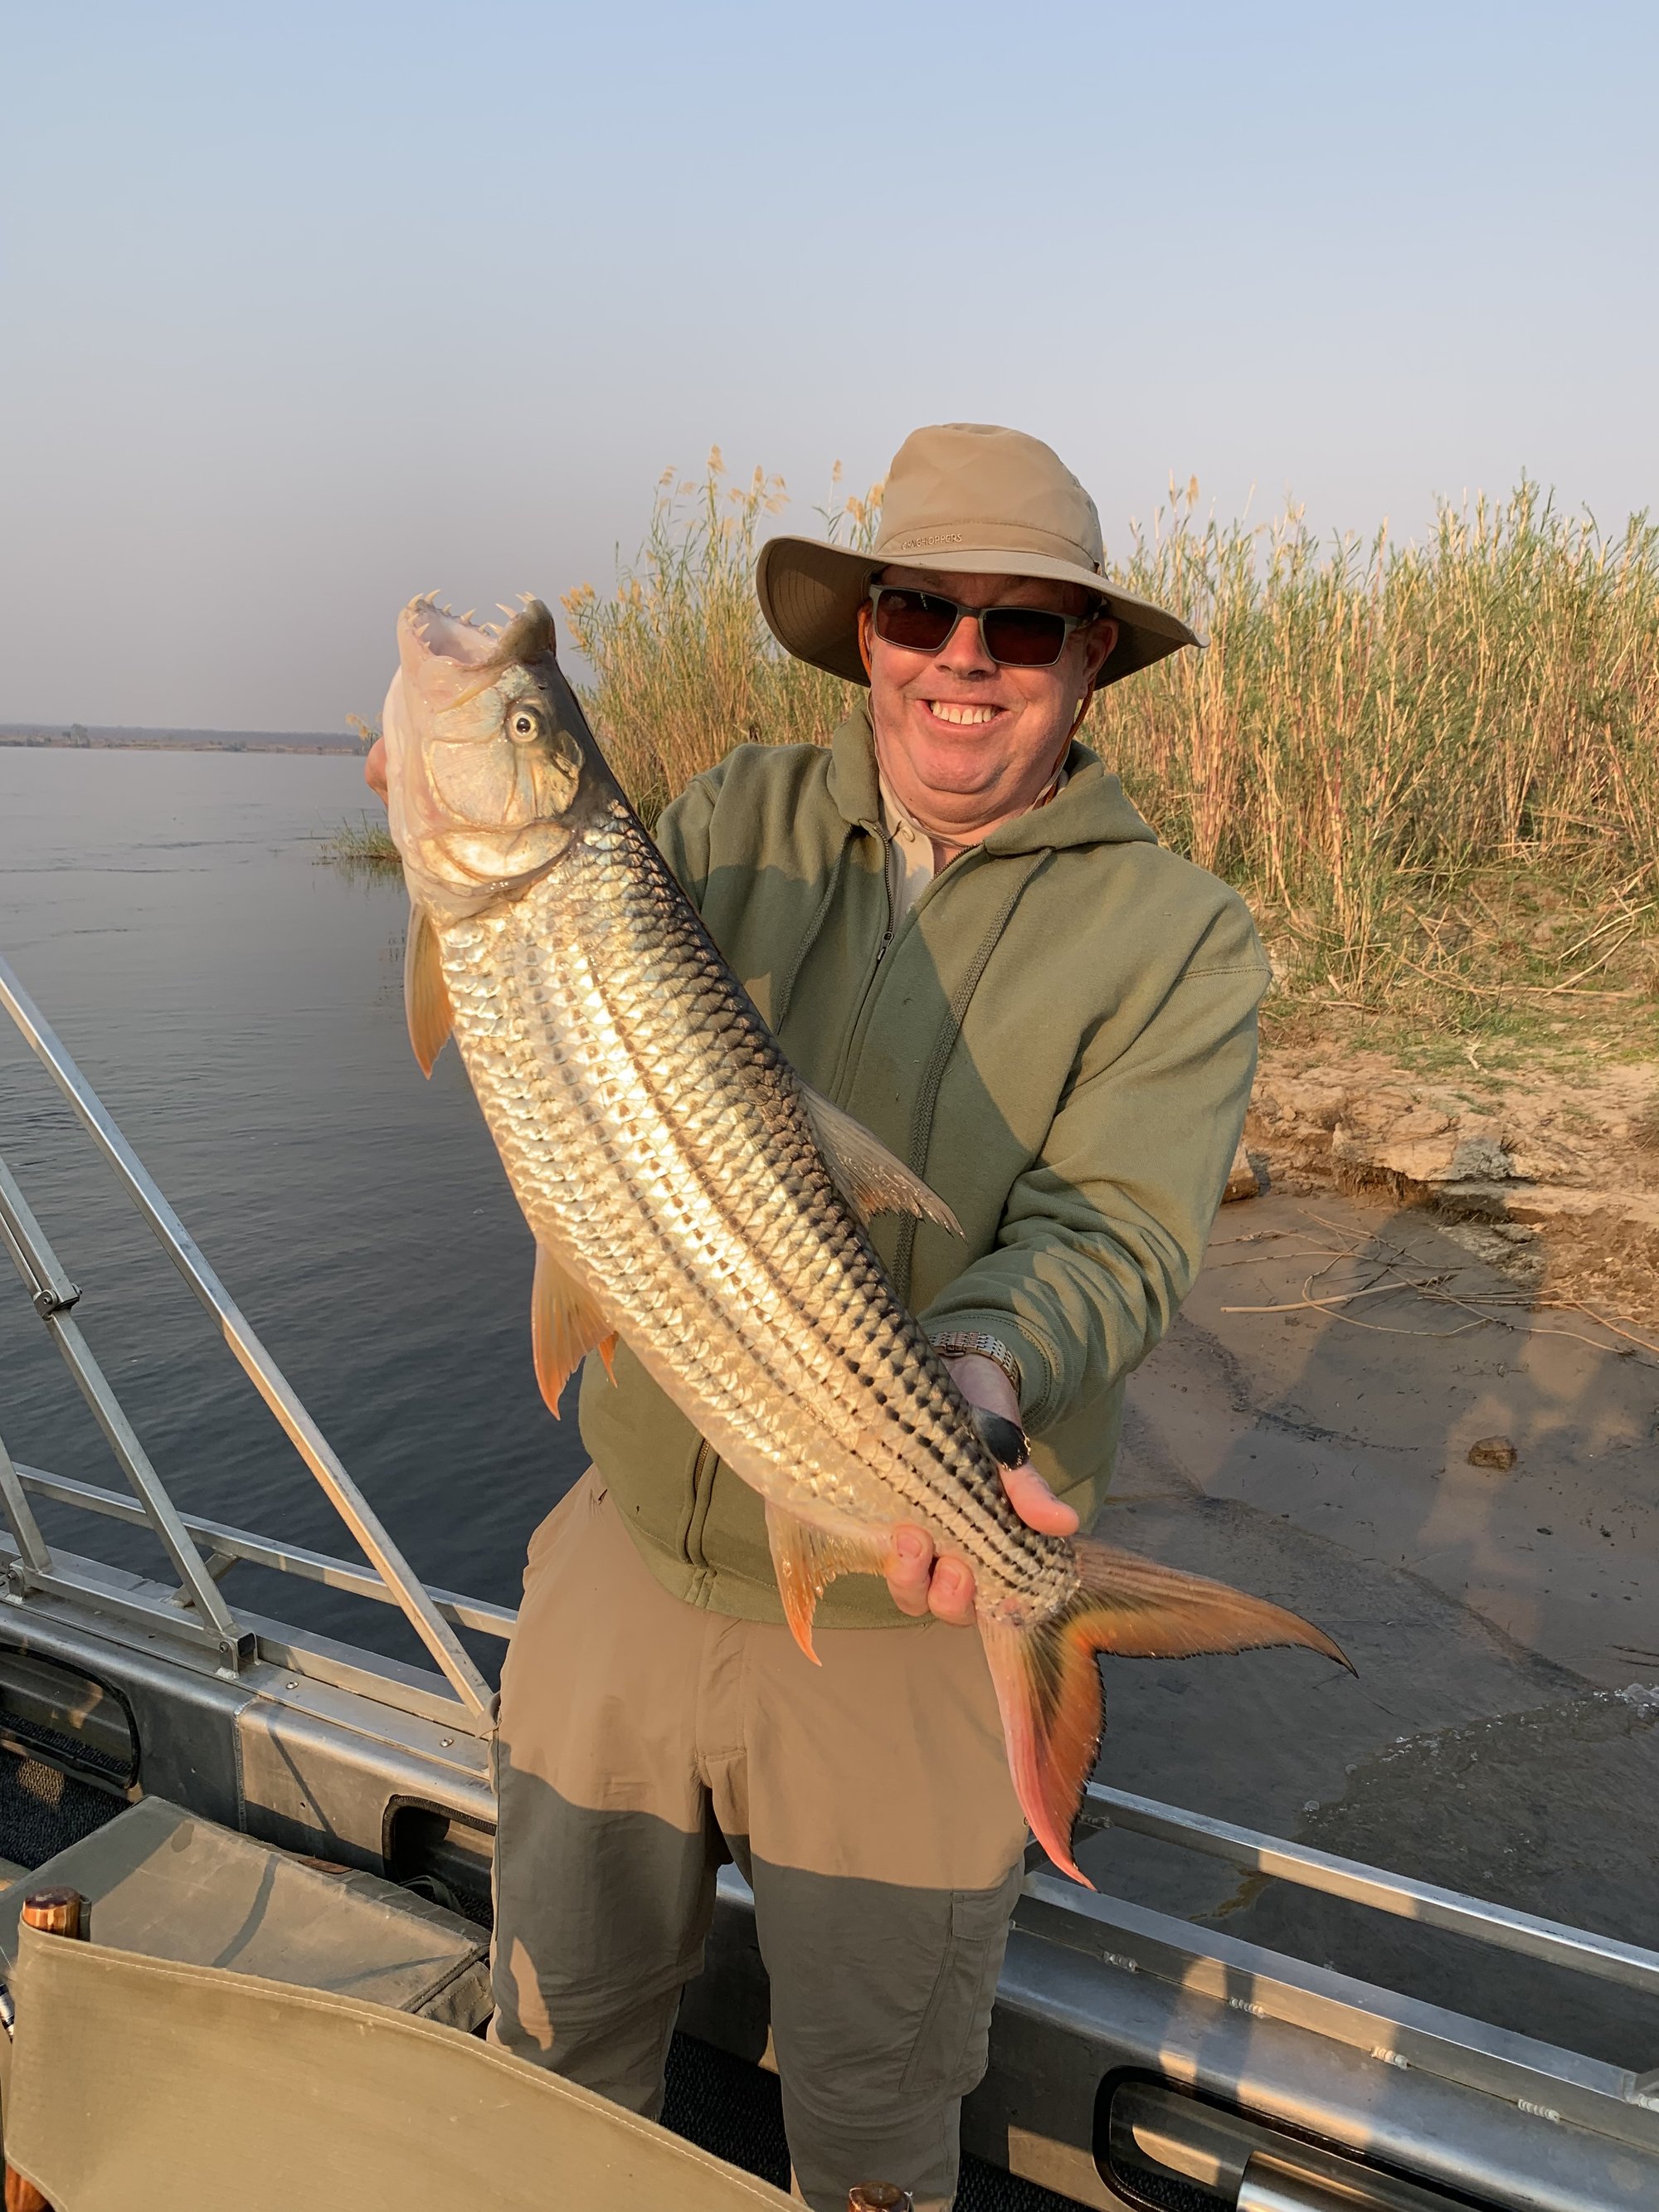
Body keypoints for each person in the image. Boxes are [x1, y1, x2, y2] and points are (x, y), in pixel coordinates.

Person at [369, 423, 1269, 2211]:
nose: (961, 658)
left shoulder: (1181, 938)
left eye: (1019, 629)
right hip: (631, 1537)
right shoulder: (717, 821)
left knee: (868, 2123)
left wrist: (981, 1374)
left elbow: (1114, 1230)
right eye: (921, 607)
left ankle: (1052, 1631)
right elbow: (571, 1040)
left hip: (909, 1595)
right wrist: (434, 811)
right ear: (863, 629)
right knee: (553, 2039)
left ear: (1092, 660)